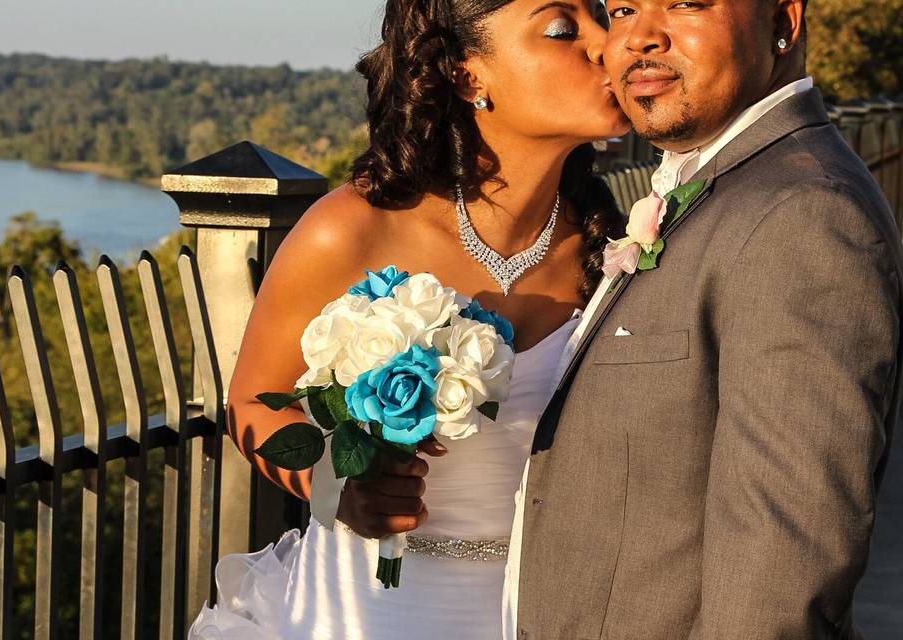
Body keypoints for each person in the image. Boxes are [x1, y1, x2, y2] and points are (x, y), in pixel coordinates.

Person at [188, 1, 629, 638]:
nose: (608, 44)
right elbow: (251, 403)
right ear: (466, 73)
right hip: (360, 613)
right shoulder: (351, 229)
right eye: (564, 29)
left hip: (539, 614)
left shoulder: (614, 249)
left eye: (603, 16)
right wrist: (333, 483)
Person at [507, 0, 903, 638]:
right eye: (623, 8)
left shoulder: (803, 216)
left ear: (783, 22)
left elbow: (779, 573)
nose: (638, 38)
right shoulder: (728, 188)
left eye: (687, 3)